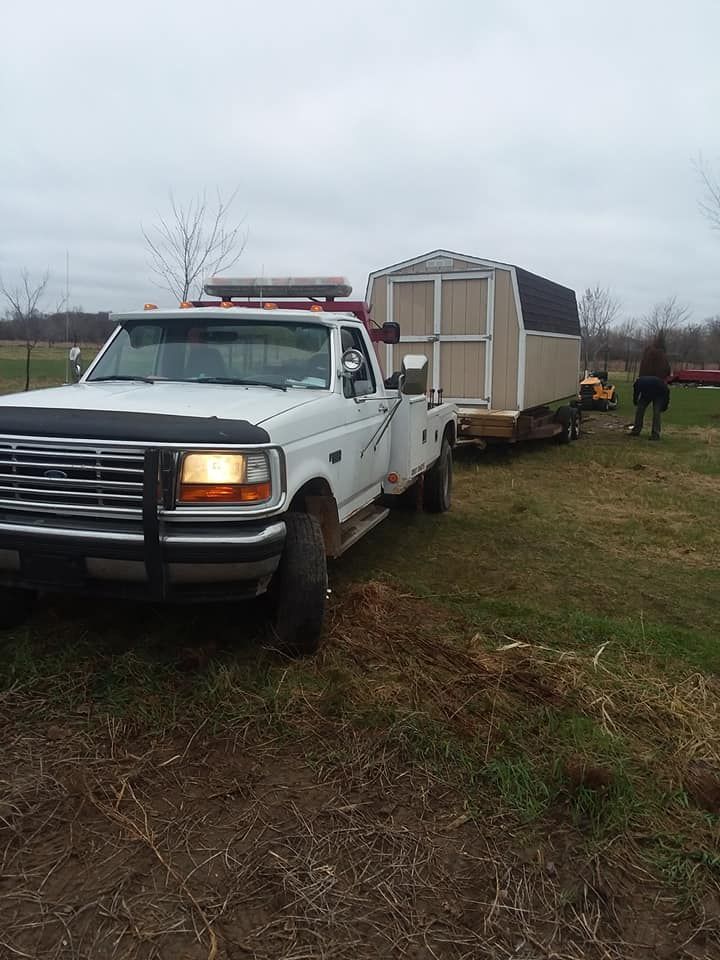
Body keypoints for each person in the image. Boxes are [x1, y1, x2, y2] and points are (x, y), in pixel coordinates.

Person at [631, 336, 671, 440]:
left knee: (640, 409)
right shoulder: (662, 356)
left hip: (649, 389)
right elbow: (667, 391)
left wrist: (635, 400)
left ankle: (636, 429)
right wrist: (665, 405)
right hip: (656, 389)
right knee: (656, 412)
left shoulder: (647, 355)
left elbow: (636, 389)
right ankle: (655, 433)